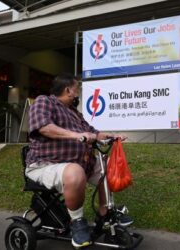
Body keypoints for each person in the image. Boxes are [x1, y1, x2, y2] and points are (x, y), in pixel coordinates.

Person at [25, 73, 132, 248]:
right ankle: (77, 222)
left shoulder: (75, 113)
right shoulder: (44, 102)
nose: (79, 93)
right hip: (45, 164)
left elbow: (94, 133)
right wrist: (77, 135)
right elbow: (44, 127)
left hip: (80, 164)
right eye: (78, 89)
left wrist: (113, 135)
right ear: (68, 90)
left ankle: (105, 212)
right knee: (75, 172)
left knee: (107, 168)